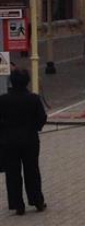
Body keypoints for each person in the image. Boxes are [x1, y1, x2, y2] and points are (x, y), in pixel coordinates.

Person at [0, 68, 47, 215]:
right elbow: (42, 117)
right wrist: (35, 127)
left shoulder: (3, 100)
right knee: (32, 170)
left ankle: (17, 204)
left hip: (9, 140)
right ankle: (37, 201)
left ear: (12, 81)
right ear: (27, 81)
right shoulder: (33, 99)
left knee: (12, 172)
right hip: (30, 139)